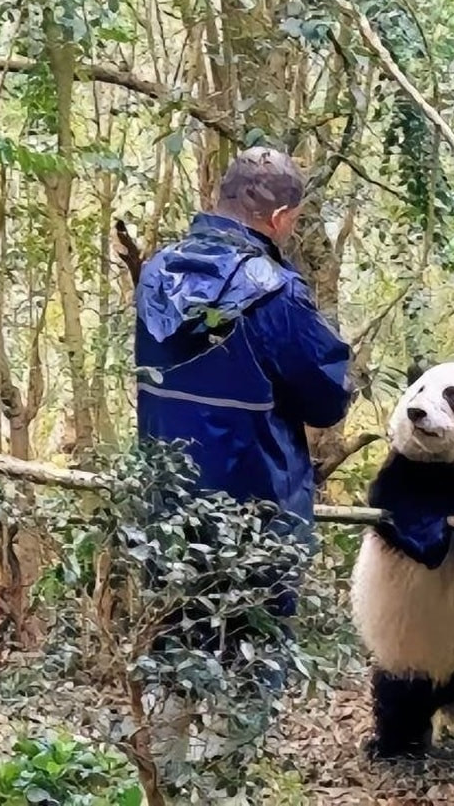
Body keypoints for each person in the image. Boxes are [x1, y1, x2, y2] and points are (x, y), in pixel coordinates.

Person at [134, 146, 353, 660]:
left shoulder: (157, 273)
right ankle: (234, 742)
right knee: (250, 663)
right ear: (279, 218)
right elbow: (325, 400)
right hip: (259, 515)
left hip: (166, 507)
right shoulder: (277, 293)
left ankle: (167, 741)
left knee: (173, 648)